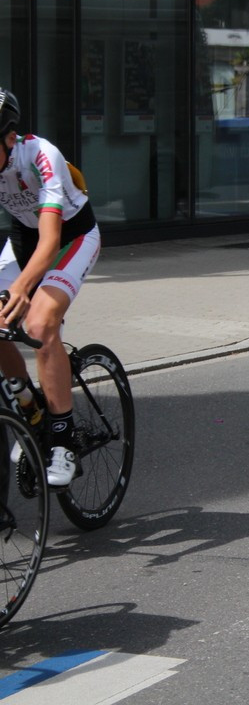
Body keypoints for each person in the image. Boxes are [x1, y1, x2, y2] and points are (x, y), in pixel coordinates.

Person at [0, 87, 102, 487]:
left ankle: (63, 440)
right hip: (23, 240)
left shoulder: (42, 156)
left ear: (9, 138)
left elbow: (49, 241)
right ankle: (29, 410)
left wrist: (24, 288)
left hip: (72, 239)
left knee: (40, 326)